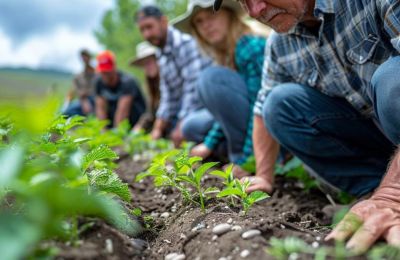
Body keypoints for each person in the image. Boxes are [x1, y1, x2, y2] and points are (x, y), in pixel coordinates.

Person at [214, 0, 400, 253]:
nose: (255, 11)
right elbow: (261, 108)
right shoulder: (280, 44)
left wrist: (393, 195)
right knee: (279, 104)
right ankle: (373, 192)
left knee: (393, 81)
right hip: (382, 142)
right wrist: (263, 176)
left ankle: (390, 198)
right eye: (243, 1)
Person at [174, 0, 266, 177]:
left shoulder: (249, 47)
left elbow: (260, 108)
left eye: (212, 15)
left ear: (230, 15)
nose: (206, 25)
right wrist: (209, 144)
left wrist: (247, 161)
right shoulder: (227, 54)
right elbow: (228, 109)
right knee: (191, 126)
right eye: (199, 22)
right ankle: (224, 150)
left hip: (269, 128)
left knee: (210, 79)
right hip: (249, 122)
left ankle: (248, 156)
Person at [135, 5, 212, 147]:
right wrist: (157, 129)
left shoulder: (185, 43)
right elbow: (168, 96)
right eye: (142, 30)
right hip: (189, 113)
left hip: (208, 108)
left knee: (188, 128)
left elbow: (193, 90)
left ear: (163, 21)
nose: (147, 34)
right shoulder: (161, 54)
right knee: (169, 132)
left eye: (149, 27)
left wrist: (180, 126)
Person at [95, 50, 146, 128]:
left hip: (135, 125)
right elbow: (100, 109)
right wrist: (103, 131)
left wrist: (116, 135)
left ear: (114, 67)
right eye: (102, 72)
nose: (105, 75)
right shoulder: (99, 83)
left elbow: (122, 112)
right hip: (113, 125)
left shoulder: (127, 81)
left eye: (107, 72)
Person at [130, 41, 160, 132]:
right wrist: (137, 128)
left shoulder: (168, 79)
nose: (147, 67)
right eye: (144, 64)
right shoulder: (150, 85)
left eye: (149, 62)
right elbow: (149, 113)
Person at [63, 49, 96, 117]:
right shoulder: (78, 76)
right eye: (83, 57)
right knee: (65, 112)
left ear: (90, 58)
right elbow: (75, 91)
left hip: (95, 100)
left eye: (86, 56)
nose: (84, 59)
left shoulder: (97, 74)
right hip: (81, 101)